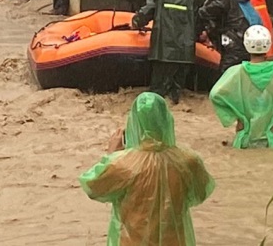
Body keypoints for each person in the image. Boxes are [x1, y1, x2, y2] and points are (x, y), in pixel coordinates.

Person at [80, 92, 214, 246]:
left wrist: (111, 155)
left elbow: (93, 187)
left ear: (133, 124)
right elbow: (201, 192)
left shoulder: (123, 165)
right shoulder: (189, 161)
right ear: (167, 120)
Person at [209, 26, 273, 149]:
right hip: (272, 140)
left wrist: (238, 116)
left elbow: (215, 94)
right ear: (268, 45)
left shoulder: (236, 72)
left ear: (246, 45)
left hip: (244, 139)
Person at [132, 0, 196, 105]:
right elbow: (195, 23)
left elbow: (144, 15)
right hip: (184, 54)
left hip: (163, 53)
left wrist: (135, 22)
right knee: (176, 90)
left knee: (157, 90)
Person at [197, 0, 250, 73]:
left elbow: (211, 12)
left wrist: (200, 14)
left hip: (234, 43)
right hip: (235, 42)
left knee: (225, 77)